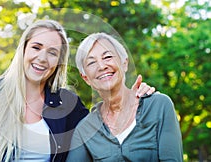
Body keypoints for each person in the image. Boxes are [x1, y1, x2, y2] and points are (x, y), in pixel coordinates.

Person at [0, 20, 155, 162]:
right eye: (36, 47)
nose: (43, 58)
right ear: (23, 50)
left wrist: (131, 98)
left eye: (52, 53)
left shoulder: (67, 103)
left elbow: (103, 131)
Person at [66, 32, 183, 162]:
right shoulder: (85, 129)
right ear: (86, 78)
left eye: (108, 57)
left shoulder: (159, 106)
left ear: (124, 63)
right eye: (91, 63)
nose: (102, 66)